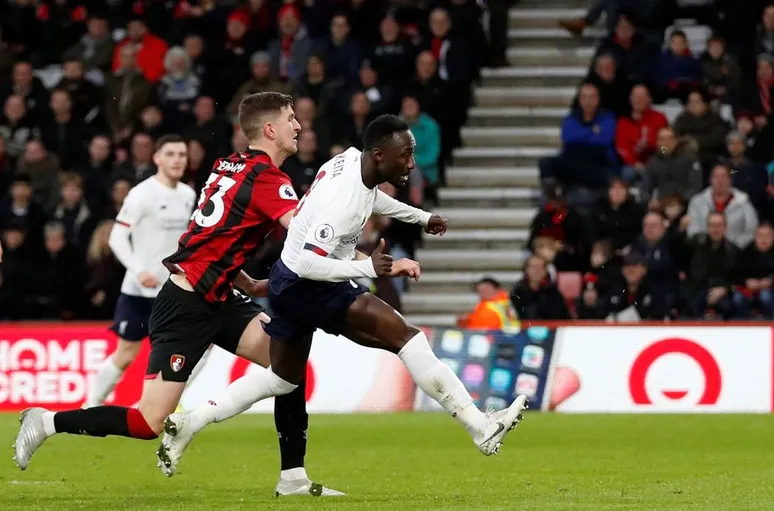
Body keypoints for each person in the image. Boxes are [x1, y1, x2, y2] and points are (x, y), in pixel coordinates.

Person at [156, 116, 529, 477]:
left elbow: (371, 200)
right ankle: (479, 426)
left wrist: (420, 217)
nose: (412, 164)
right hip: (307, 283)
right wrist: (369, 269)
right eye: (406, 155)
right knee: (406, 337)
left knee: (282, 380)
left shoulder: (352, 161)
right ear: (380, 155)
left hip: (290, 283)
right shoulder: (342, 201)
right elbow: (308, 262)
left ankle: (192, 422)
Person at [14, 92, 337, 497]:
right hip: (184, 304)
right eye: (291, 119)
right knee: (148, 423)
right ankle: (46, 422)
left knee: (288, 362)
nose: (299, 126)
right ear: (270, 129)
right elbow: (307, 237)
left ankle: (293, 478)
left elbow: (215, 235)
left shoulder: (228, 164)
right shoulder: (267, 179)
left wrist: (237, 275)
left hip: (219, 295)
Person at [83, 135, 205, 409]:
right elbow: (116, 237)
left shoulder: (188, 195)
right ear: (157, 158)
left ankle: (152, 406)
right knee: (125, 354)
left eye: (182, 155)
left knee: (195, 348)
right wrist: (139, 271)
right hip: (139, 290)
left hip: (174, 290)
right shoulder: (141, 193)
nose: (177, 160)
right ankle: (90, 406)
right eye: (171, 154)